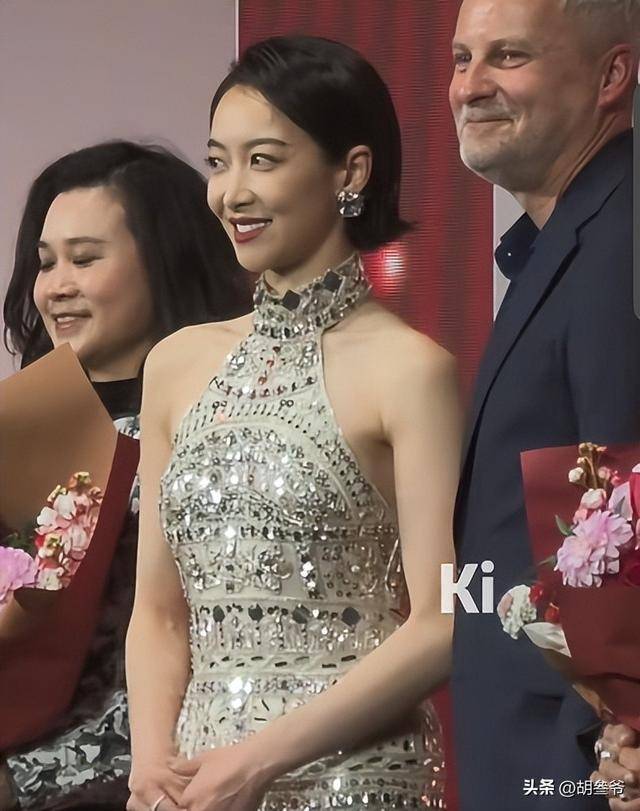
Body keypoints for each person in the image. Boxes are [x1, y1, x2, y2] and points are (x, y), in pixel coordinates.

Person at [125, 35, 461, 811]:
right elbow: (158, 611)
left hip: (357, 778)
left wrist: (257, 761)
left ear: (351, 172)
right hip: (195, 781)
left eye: (264, 161)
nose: (231, 193)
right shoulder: (175, 364)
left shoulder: (414, 371)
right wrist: (152, 763)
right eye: (218, 162)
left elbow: (447, 616)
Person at [1, 140, 252, 809]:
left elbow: (208, 662)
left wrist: (23, 780)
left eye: (85, 259)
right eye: (45, 262)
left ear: (165, 263)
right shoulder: (18, 429)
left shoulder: (214, 436)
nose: (57, 286)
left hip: (148, 790)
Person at [449, 1, 640, 809]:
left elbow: (626, 512)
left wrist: (613, 739)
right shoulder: (569, 240)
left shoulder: (620, 240)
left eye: (508, 56)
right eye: (461, 58)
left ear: (611, 75)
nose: (469, 87)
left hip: (582, 769)